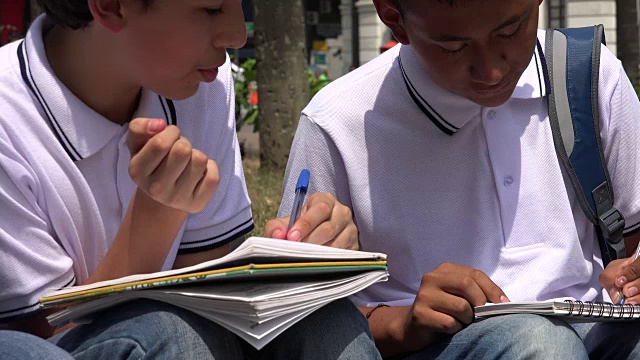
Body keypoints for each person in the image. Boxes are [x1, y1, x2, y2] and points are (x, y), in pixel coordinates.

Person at [0, 0, 380, 359]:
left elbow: (205, 285)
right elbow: (40, 338)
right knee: (168, 330)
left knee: (328, 320)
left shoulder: (200, 86)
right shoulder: (9, 118)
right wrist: (156, 215)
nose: (236, 34)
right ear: (111, 6)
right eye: (212, 8)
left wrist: (297, 258)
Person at [269, 0, 640, 358]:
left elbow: (632, 235)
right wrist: (407, 322)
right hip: (434, 346)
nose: (491, 71)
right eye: (453, 47)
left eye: (510, 31)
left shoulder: (588, 77)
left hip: (594, 328)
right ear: (393, 18)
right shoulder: (338, 123)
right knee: (541, 345)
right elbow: (301, 323)